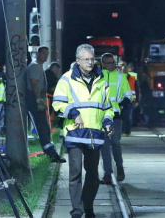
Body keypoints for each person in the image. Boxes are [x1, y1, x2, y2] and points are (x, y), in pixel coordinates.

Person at [52, 44, 114, 218]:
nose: (90, 62)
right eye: (86, 59)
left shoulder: (102, 80)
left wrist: (108, 121)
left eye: (92, 59)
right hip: (75, 133)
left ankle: (88, 207)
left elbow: (107, 107)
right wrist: (73, 113)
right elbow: (57, 103)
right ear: (78, 61)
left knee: (93, 175)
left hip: (94, 134)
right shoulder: (66, 79)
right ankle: (77, 211)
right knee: (75, 173)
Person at [25, 46, 66, 163]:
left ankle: (51, 152)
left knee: (45, 128)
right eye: (43, 53)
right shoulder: (34, 67)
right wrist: (38, 100)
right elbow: (34, 83)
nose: (45, 56)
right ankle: (51, 154)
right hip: (34, 100)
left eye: (47, 54)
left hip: (38, 100)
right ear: (37, 54)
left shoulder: (38, 67)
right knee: (43, 128)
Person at [99, 54, 131, 184]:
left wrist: (123, 105)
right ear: (103, 64)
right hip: (100, 116)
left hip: (116, 116)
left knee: (115, 142)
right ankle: (108, 174)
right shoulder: (97, 77)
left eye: (113, 62)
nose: (112, 65)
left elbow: (128, 95)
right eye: (109, 63)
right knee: (104, 145)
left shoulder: (121, 77)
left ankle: (119, 167)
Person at [122, 62, 137, 136]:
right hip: (120, 100)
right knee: (121, 117)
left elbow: (136, 89)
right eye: (122, 67)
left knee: (128, 116)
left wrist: (137, 101)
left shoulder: (132, 78)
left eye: (125, 67)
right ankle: (121, 131)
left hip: (130, 100)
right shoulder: (118, 77)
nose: (124, 68)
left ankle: (127, 131)